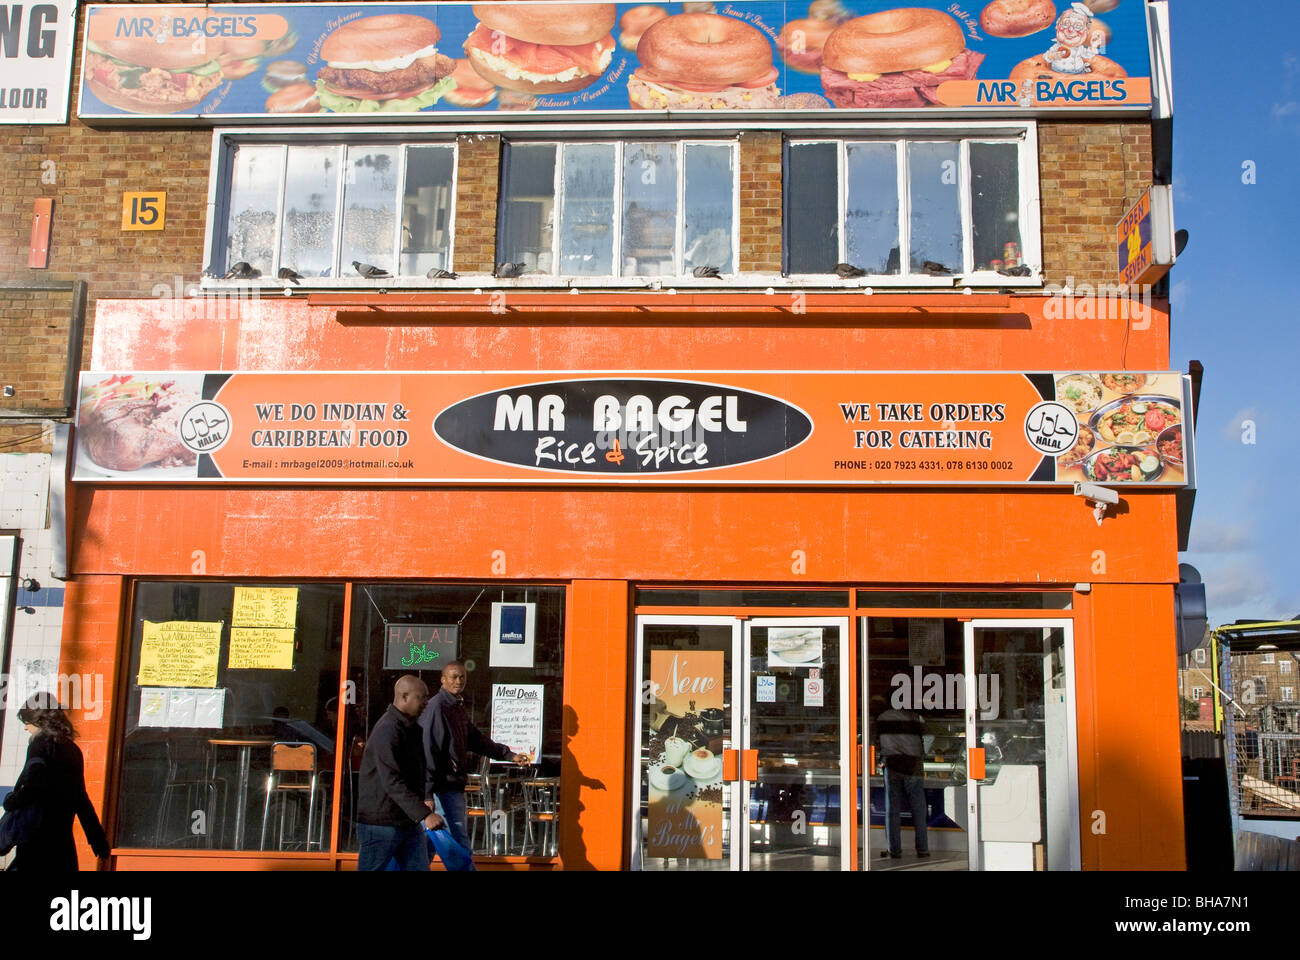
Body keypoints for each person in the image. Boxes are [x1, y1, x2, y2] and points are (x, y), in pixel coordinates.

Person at [421, 661, 529, 858]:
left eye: (462, 676)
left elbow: (476, 740)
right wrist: (427, 793)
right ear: (443, 680)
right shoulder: (437, 707)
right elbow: (428, 751)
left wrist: (509, 755)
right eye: (454, 676)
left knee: (424, 847)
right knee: (457, 845)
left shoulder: (456, 707)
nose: (459, 681)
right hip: (442, 788)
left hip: (446, 787)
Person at [2, 694, 110, 871]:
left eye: (26, 722)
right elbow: (81, 798)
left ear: (38, 721)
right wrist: (97, 839)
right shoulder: (72, 749)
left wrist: (10, 801)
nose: (26, 728)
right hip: (62, 839)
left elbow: (32, 787)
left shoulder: (40, 745)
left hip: (36, 838)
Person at [356, 675, 444, 871]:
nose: (426, 703)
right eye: (421, 698)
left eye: (427, 698)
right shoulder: (387, 730)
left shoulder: (410, 728)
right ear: (404, 697)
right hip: (380, 823)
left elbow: (415, 772)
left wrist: (424, 801)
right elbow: (392, 780)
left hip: (407, 821)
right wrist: (424, 815)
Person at [875, 698, 930, 860]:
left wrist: (882, 759)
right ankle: (923, 849)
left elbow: (876, 741)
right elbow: (930, 736)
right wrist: (921, 754)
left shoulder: (882, 717)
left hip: (892, 765)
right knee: (919, 810)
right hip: (914, 765)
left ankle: (894, 850)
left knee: (892, 810)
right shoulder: (915, 717)